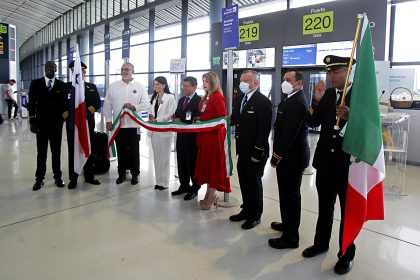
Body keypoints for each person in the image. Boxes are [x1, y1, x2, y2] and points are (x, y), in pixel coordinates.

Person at [303, 55, 356, 275]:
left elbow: (369, 128)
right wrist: (316, 100)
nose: (331, 76)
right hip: (325, 162)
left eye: (336, 72)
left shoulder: (360, 95)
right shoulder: (329, 94)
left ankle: (346, 254)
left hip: (348, 164)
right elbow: (313, 122)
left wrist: (350, 116)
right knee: (325, 208)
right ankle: (320, 243)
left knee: (347, 213)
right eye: (329, 72)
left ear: (348, 71)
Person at [268, 69, 310, 248]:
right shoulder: (290, 99)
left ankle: (291, 237)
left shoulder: (298, 102)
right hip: (289, 156)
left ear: (298, 83)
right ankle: (287, 225)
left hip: (292, 157)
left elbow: (289, 134)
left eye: (288, 79)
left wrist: (276, 156)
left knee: (291, 196)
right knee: (285, 195)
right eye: (283, 79)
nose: (284, 82)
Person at [229, 70, 272, 229]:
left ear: (255, 83)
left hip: (255, 152)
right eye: (241, 80)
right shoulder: (240, 98)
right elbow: (236, 119)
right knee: (244, 181)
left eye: (246, 80)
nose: (242, 83)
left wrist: (257, 152)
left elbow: (264, 130)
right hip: (242, 149)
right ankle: (246, 209)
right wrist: (228, 120)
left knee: (254, 183)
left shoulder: (262, 102)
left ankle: (255, 215)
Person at [103, 62, 149, 185]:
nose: (124, 71)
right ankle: (121, 173)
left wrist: (134, 106)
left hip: (134, 125)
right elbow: (107, 104)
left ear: (133, 71)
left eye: (127, 69)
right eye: (122, 69)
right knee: (121, 150)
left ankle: (135, 174)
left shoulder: (140, 86)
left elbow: (146, 104)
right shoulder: (114, 86)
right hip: (119, 125)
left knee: (134, 151)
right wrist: (108, 120)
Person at [28, 61, 67, 191]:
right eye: (48, 67)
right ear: (44, 69)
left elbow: (64, 104)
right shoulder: (36, 83)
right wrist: (32, 121)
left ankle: (57, 176)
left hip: (56, 124)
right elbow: (32, 103)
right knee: (42, 152)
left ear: (56, 69)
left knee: (56, 152)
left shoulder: (61, 85)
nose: (50, 69)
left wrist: (63, 117)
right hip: (41, 124)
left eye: (53, 67)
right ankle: (39, 179)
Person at [195, 71, 230, 210]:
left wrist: (205, 121)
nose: (204, 84)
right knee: (208, 167)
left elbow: (222, 118)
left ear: (213, 82)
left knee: (213, 167)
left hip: (214, 138)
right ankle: (209, 195)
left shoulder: (218, 97)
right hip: (205, 136)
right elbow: (205, 114)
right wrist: (200, 119)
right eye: (203, 81)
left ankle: (211, 197)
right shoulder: (206, 96)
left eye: (206, 81)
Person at [63, 61, 102, 189]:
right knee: (73, 150)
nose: (80, 72)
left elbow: (97, 103)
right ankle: (73, 179)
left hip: (87, 123)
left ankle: (89, 177)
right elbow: (61, 104)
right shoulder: (67, 87)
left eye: (82, 70)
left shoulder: (92, 86)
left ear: (85, 71)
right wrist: (65, 113)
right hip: (73, 124)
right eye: (75, 70)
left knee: (88, 148)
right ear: (72, 71)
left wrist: (90, 110)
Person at [171, 76, 202, 200]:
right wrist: (175, 117)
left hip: (192, 138)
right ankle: (184, 185)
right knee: (181, 161)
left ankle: (195, 188)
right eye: (183, 86)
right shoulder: (181, 100)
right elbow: (178, 114)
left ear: (194, 87)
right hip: (181, 136)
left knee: (192, 163)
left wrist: (181, 119)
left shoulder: (199, 101)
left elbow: (197, 119)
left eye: (187, 86)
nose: (184, 88)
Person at [148, 76, 177, 190]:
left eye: (158, 84)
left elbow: (171, 113)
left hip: (165, 131)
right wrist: (151, 117)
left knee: (164, 157)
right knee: (157, 157)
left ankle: (164, 182)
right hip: (154, 131)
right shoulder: (154, 97)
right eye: (154, 84)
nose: (156, 86)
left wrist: (157, 120)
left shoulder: (170, 97)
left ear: (164, 85)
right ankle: (158, 180)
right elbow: (151, 111)